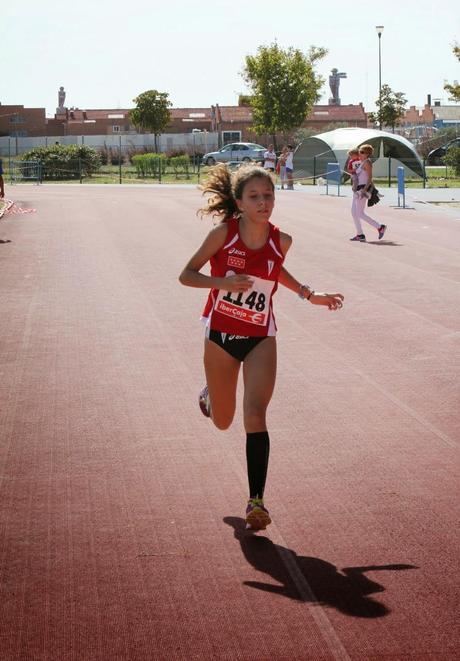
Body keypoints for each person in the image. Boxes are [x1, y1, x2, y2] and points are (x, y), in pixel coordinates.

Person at [179, 164, 344, 530]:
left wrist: (309, 294)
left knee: (255, 415)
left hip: (260, 337)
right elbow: (186, 274)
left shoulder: (281, 241)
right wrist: (221, 281)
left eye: (268, 195)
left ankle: (257, 502)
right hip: (221, 335)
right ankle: (211, 397)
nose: (263, 202)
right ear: (239, 201)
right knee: (224, 421)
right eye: (254, 196)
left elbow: (274, 270)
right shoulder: (223, 234)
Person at [350, 144, 386, 242]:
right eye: (359, 152)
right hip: (357, 189)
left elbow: (369, 178)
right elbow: (361, 176)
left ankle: (380, 227)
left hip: (362, 190)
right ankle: (360, 234)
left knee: (360, 213)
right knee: (354, 213)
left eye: (362, 152)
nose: (359, 154)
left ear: (367, 154)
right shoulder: (361, 162)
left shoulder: (367, 163)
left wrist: (365, 190)